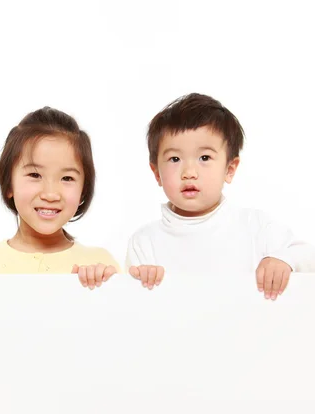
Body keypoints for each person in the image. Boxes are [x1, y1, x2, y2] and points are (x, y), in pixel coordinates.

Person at [127, 93, 315, 299]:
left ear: (230, 169)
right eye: (174, 159)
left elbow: (308, 256)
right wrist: (141, 281)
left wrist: (282, 260)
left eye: (204, 157)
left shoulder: (256, 227)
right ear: (156, 173)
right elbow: (130, 305)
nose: (189, 172)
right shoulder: (144, 241)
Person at [0, 106, 120, 290]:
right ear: (9, 185)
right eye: (34, 175)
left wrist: (104, 289)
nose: (50, 194)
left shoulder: (100, 265)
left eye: (67, 178)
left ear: (83, 190)